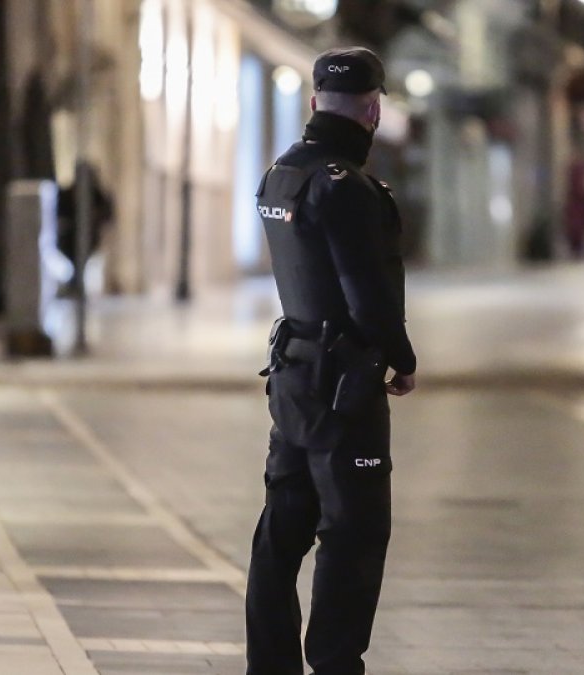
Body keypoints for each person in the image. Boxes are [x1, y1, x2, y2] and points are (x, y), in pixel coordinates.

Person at [245, 47, 417, 675]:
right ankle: (336, 665)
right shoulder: (347, 185)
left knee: (281, 531)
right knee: (354, 532)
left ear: (314, 101)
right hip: (344, 384)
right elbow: (364, 291)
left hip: (292, 372)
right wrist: (401, 359)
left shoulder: (278, 175)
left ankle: (269, 665)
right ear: (373, 109)